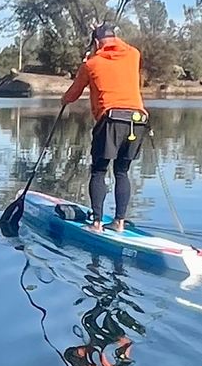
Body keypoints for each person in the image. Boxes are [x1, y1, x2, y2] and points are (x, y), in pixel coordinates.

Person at [61, 23, 148, 231]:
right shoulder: (134, 55)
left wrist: (64, 100)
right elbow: (123, 49)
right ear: (116, 39)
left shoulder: (91, 64)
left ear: (97, 42)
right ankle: (119, 222)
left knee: (99, 170)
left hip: (111, 119)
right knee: (121, 171)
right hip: (137, 120)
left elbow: (73, 94)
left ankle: (97, 223)